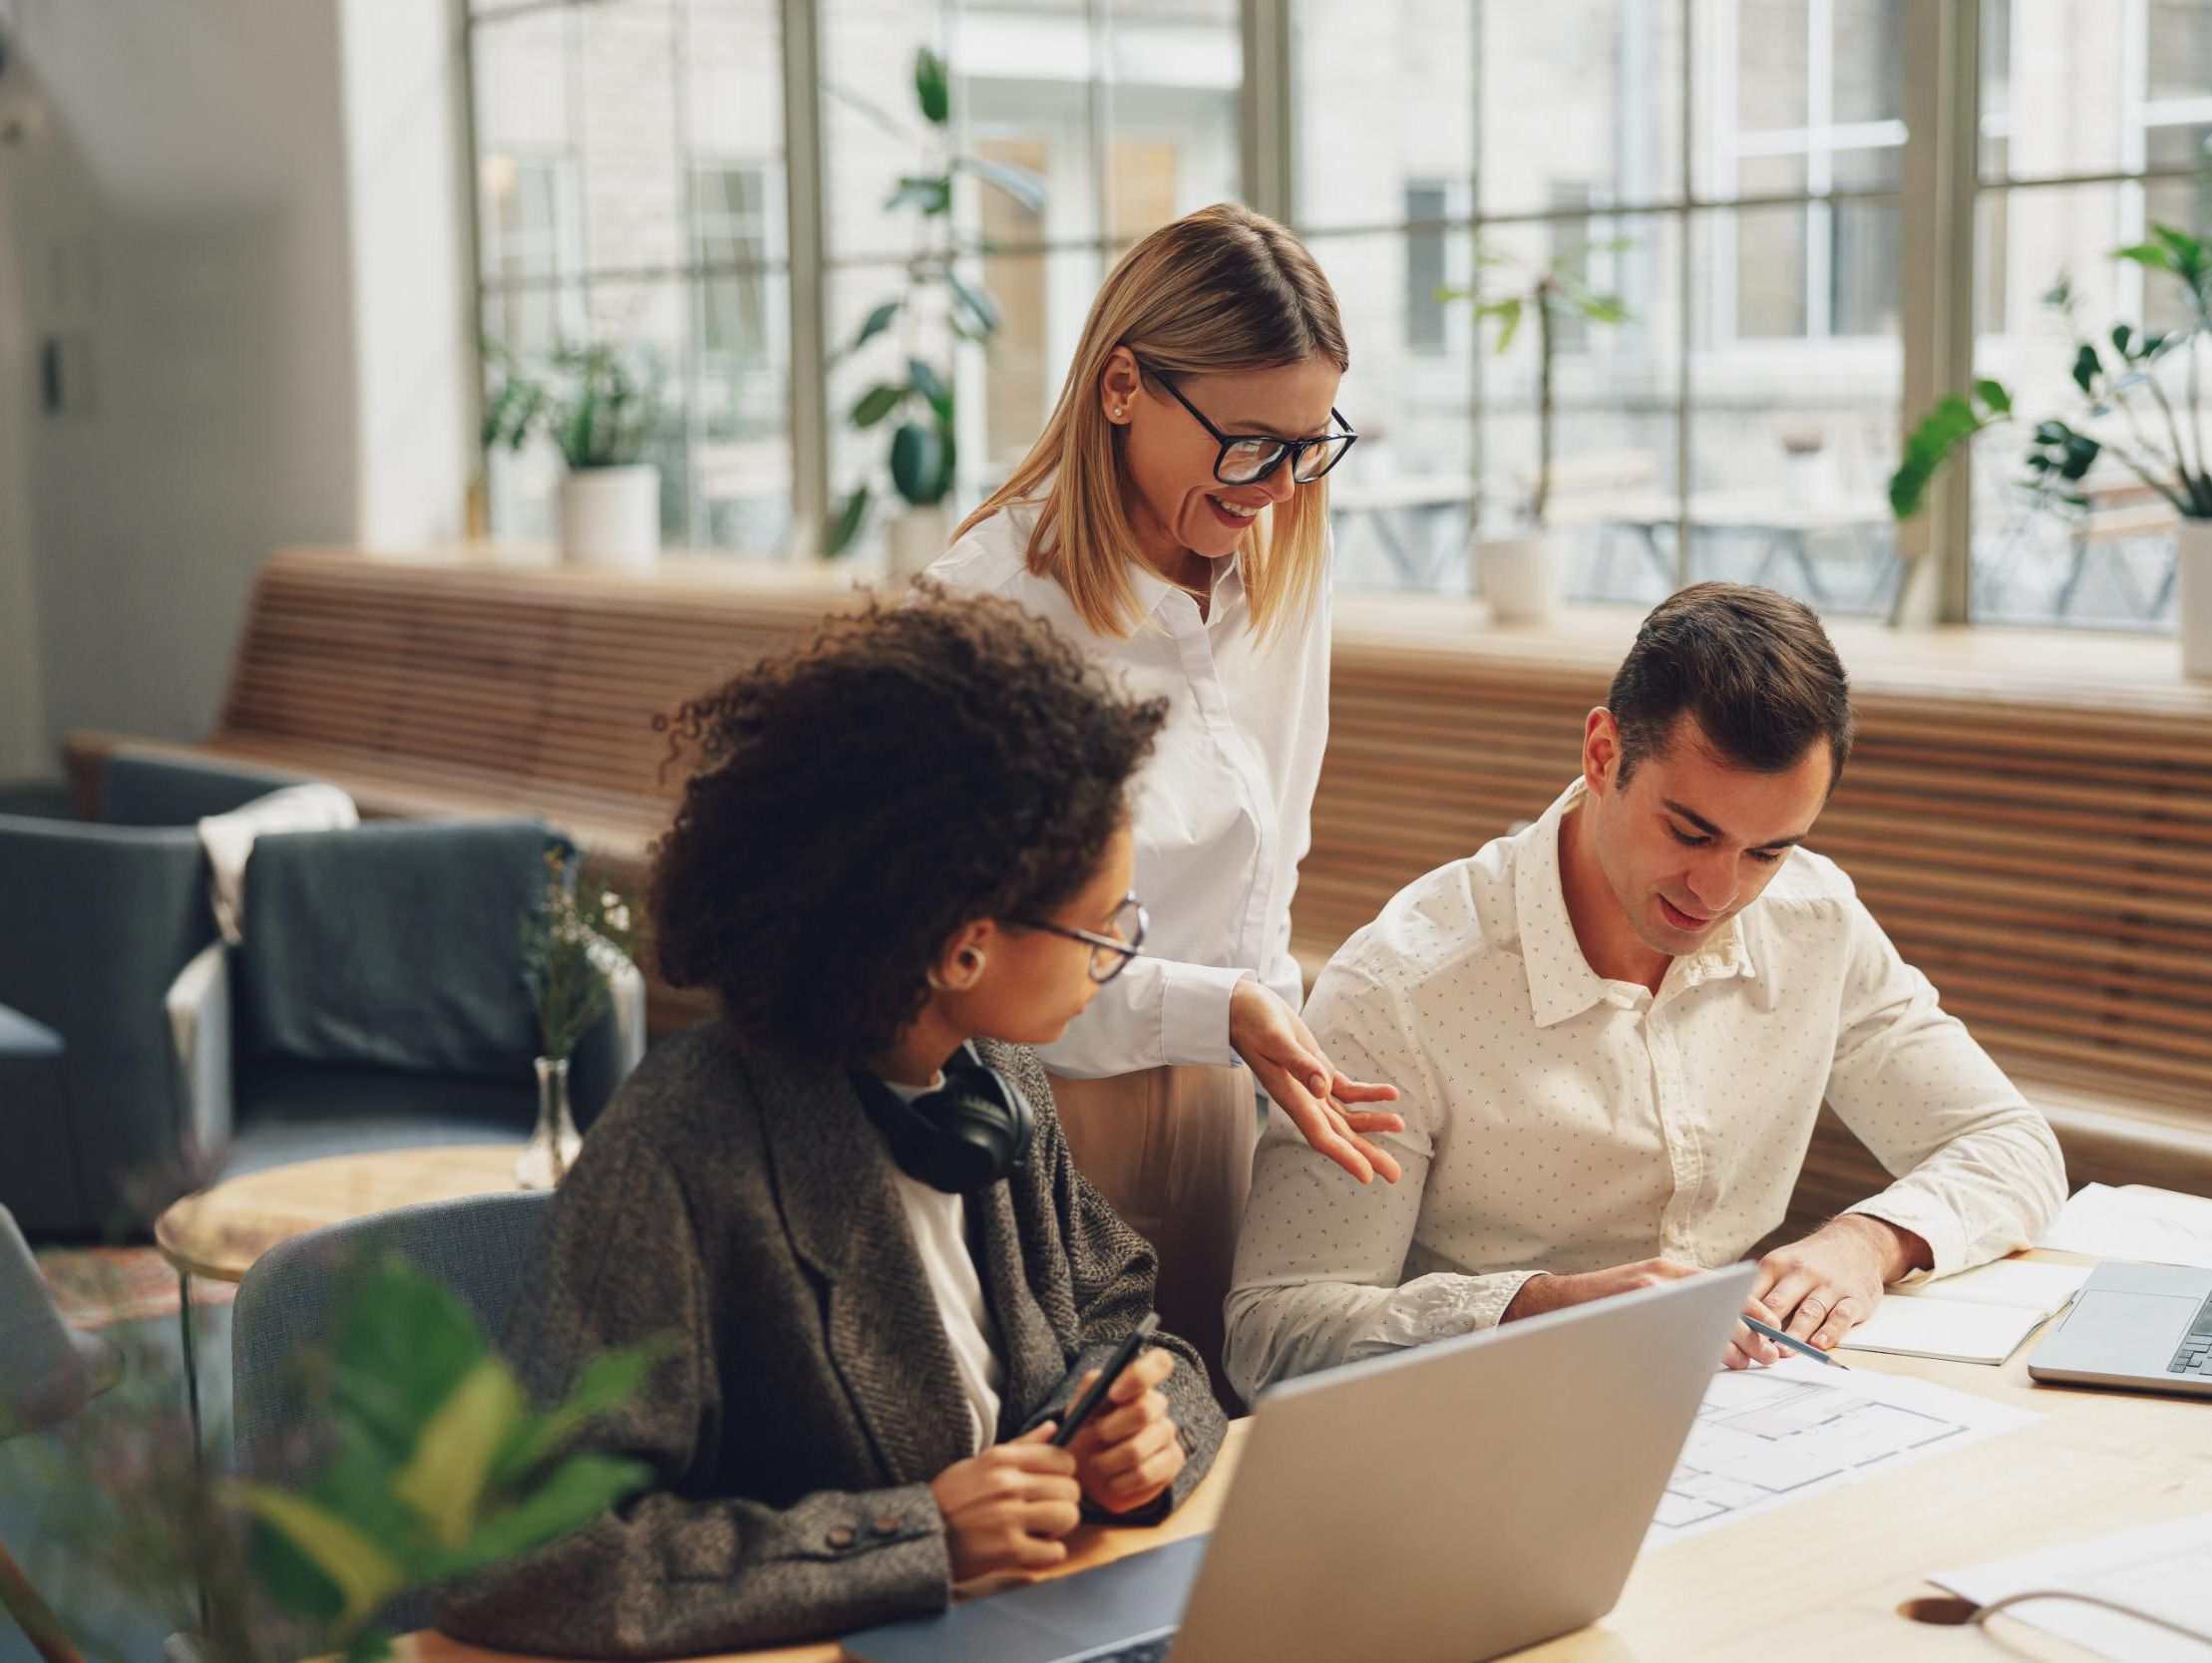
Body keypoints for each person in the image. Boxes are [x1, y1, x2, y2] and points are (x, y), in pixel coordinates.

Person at [439, 592, 1225, 1658]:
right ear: (962, 951)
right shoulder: (682, 1148)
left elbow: (1126, 1318)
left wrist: (1150, 1431)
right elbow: (519, 1559)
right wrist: (914, 1537)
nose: (1117, 955)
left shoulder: (999, 1080)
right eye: (1100, 929)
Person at [1224, 582, 2067, 1404]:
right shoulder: (1400, 990)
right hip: (1487, 1423)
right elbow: (1271, 1336)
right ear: (1602, 754)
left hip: (1735, 1410)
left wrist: (1869, 1240)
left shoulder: (1814, 921)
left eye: (1766, 851)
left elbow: (2009, 1143)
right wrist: (1535, 1309)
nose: (1719, 889)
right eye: (1689, 832)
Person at [925, 202, 1403, 1390]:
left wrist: (1261, 1047)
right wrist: (1218, 1011)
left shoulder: (1281, 559)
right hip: (1042, 1112)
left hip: (1231, 1098)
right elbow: (962, 967)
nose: (1278, 489)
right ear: (1123, 385)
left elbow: (1273, 850)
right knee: (1078, 1465)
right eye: (1247, 443)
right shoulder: (987, 609)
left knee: (1214, 1445)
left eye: (1307, 446)